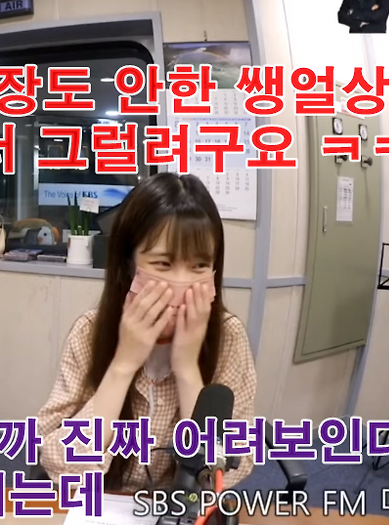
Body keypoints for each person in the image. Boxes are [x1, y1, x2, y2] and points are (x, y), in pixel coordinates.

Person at [36, 173, 257, 492]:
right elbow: (56, 461)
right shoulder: (89, 332)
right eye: (163, 264)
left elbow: (226, 474)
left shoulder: (229, 338)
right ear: (128, 265)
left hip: (178, 507)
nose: (182, 283)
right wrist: (123, 365)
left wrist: (187, 368)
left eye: (198, 266)